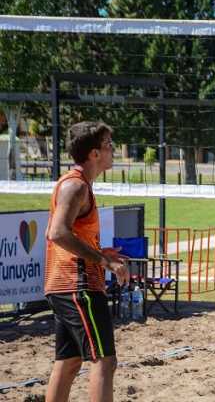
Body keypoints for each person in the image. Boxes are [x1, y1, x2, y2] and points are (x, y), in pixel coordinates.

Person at [43, 121, 128, 402]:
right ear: (94, 153)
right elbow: (56, 233)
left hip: (63, 284)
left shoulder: (76, 184)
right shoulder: (76, 186)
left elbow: (62, 232)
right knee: (105, 361)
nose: (113, 150)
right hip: (78, 286)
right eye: (108, 145)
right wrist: (103, 260)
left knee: (68, 362)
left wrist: (98, 250)